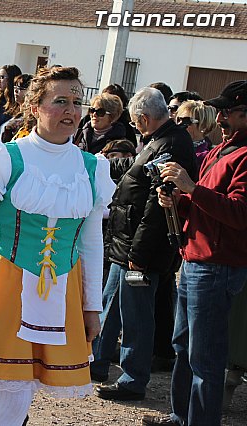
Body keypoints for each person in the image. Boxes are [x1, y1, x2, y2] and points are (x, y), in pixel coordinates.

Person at [0, 67, 115, 426]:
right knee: (14, 396)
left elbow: (92, 243)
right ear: (35, 106)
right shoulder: (4, 157)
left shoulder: (93, 168)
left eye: (77, 102)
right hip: (5, 282)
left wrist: (93, 308)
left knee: (22, 395)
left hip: (62, 291)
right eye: (60, 101)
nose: (71, 111)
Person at [142, 80, 247, 426]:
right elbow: (205, 205)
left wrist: (191, 190)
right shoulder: (222, 150)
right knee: (184, 347)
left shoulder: (242, 156)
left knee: (205, 357)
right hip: (195, 259)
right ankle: (180, 415)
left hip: (216, 264)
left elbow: (239, 213)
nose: (219, 119)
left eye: (226, 112)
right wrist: (179, 201)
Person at [91, 87, 197, 401]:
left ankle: (133, 379)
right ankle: (97, 361)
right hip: (126, 246)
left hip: (141, 253)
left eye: (137, 122)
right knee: (109, 304)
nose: (136, 126)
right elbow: (136, 174)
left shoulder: (172, 145)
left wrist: (138, 254)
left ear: (144, 118)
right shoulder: (160, 140)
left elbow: (156, 206)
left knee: (136, 313)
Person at [175, 100, 216, 172]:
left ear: (204, 126)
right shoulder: (172, 146)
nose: (179, 124)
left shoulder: (205, 158)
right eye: (178, 119)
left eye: (186, 121)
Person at [0, 73, 33, 142]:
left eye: (21, 88)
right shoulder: (12, 111)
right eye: (15, 87)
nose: (16, 91)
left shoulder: (31, 117)